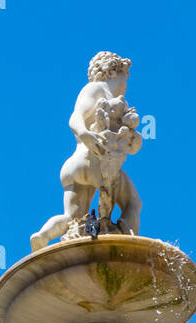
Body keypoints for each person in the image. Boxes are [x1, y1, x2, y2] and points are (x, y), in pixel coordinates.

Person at [31, 52, 142, 251]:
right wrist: (86, 134)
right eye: (126, 75)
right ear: (113, 71)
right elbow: (75, 118)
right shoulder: (98, 89)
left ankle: (43, 235)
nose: (127, 82)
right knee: (133, 203)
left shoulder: (113, 101)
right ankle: (129, 247)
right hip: (99, 165)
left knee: (71, 218)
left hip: (75, 166)